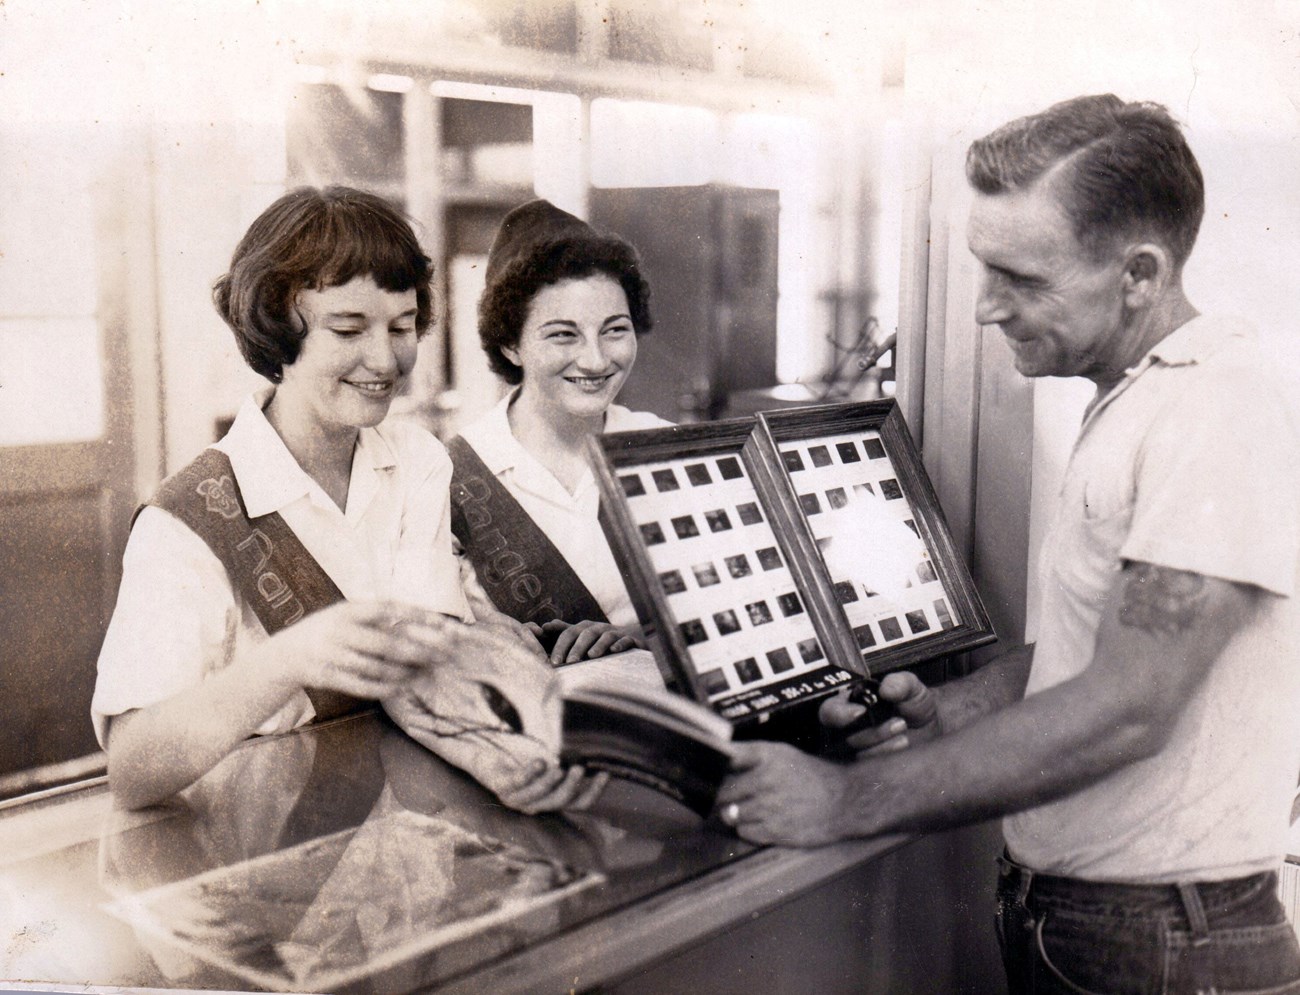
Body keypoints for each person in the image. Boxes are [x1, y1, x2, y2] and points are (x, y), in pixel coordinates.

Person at [717, 94, 1300, 993]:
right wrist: (952, 710)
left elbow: (1130, 703)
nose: (987, 308)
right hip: (1100, 928)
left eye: (1020, 278)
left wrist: (844, 800)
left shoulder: (1215, 407)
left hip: (1161, 945)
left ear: (1139, 274)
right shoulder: (1140, 398)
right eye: (982, 270)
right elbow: (1097, 650)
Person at [92, 186, 595, 815]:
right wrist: (291, 658)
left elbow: (426, 668)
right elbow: (131, 769)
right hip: (247, 831)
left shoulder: (416, 462)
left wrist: (504, 751)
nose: (384, 359)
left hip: (404, 816)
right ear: (277, 329)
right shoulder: (185, 519)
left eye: (402, 326)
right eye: (348, 329)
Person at [449, 199, 670, 666]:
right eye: (563, 335)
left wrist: (644, 640)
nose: (595, 360)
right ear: (510, 344)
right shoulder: (445, 475)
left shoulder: (667, 449)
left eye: (614, 330)